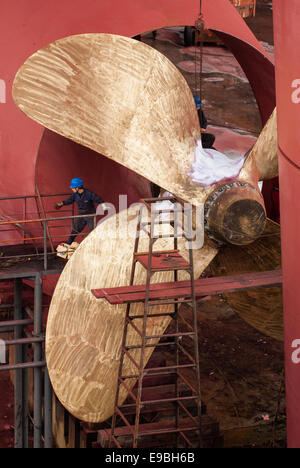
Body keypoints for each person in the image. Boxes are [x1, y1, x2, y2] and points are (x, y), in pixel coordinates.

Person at [55, 177, 105, 245]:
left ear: (77, 188)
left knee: (92, 231)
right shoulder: (75, 195)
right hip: (81, 214)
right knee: (75, 229)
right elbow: (69, 200)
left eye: (73, 188)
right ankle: (68, 244)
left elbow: (97, 199)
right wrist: (62, 203)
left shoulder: (88, 193)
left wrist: (103, 204)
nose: (71, 189)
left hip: (90, 215)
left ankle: (96, 245)